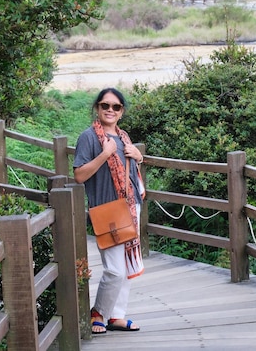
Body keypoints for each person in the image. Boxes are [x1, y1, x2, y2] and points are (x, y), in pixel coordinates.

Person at [73, 87, 145, 334]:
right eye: (105, 105)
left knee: (125, 265)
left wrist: (139, 156)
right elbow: (80, 175)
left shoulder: (124, 137)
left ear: (121, 111)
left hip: (131, 207)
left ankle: (116, 315)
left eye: (116, 107)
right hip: (107, 210)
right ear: (97, 108)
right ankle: (98, 313)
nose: (110, 110)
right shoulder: (90, 138)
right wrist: (104, 154)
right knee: (114, 269)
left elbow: (132, 175)